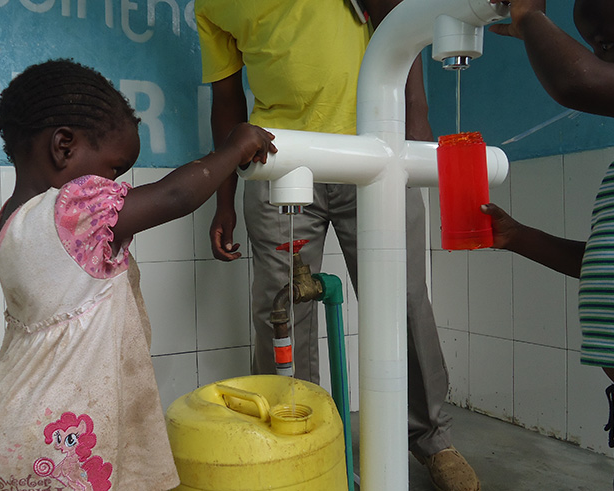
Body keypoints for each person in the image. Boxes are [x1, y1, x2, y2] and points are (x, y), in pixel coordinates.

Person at [194, 1, 480, 490]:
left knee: (404, 300)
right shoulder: (211, 4)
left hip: (376, 147)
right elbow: (227, 100)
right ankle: (301, 442)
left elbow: (399, 26)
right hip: (280, 156)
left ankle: (432, 438)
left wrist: (416, 124)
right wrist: (225, 194)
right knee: (280, 308)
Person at [0, 58, 276, 490]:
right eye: (115, 169)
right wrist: (234, 148)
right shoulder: (72, 209)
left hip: (6, 418)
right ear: (64, 146)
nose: (117, 186)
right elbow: (174, 195)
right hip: (57, 433)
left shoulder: (10, 220)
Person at [484, 1, 614, 489]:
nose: (601, 56)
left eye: (609, 44)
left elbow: (579, 80)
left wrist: (530, 16)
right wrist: (518, 237)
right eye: (597, 46)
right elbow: (607, 265)